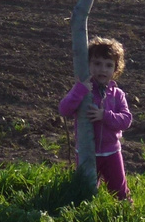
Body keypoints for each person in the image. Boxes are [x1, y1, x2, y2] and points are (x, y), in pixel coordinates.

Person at [57, 36, 133, 201]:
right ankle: (86, 212)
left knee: (119, 189)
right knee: (85, 190)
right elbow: (64, 109)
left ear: (116, 69)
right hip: (85, 151)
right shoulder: (83, 90)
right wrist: (79, 90)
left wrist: (104, 115)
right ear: (88, 64)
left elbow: (126, 120)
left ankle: (126, 210)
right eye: (97, 64)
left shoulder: (117, 95)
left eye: (108, 65)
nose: (102, 70)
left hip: (111, 152)